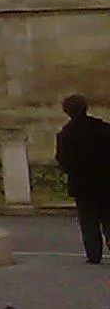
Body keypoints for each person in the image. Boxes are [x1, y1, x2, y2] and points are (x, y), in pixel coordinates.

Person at [55, 94, 110, 264]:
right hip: (106, 181)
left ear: (67, 112)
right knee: (108, 218)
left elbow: (63, 161)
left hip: (82, 185)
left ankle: (93, 255)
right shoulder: (104, 129)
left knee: (88, 222)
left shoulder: (65, 135)